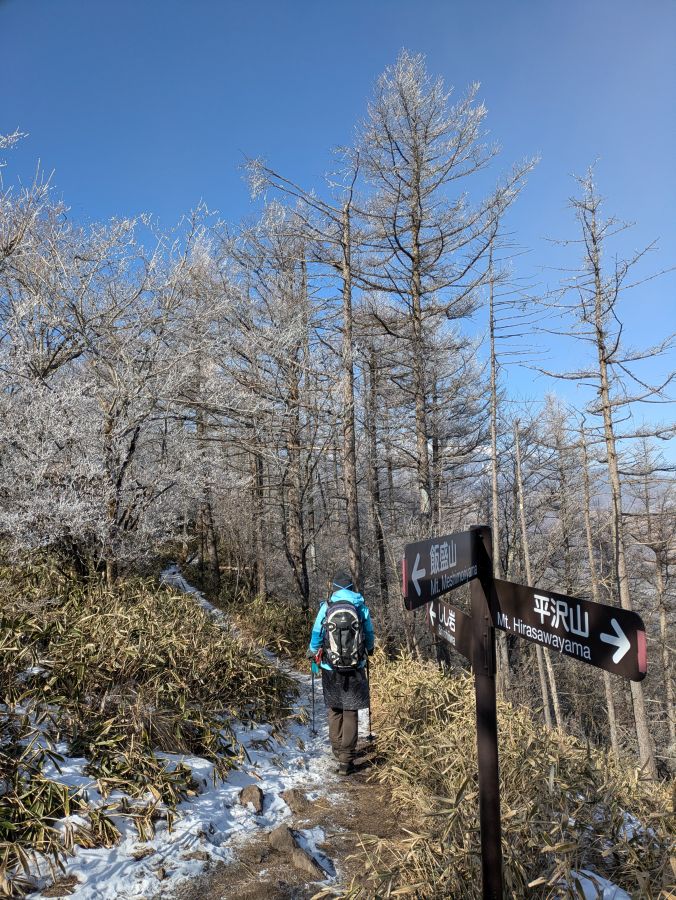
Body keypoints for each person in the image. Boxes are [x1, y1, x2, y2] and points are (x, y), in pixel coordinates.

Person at [306, 571, 375, 775]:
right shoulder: (361, 607)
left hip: (330, 666)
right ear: (351, 588)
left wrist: (313, 651)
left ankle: (337, 749)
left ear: (335, 589)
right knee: (350, 710)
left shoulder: (326, 607)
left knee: (334, 709)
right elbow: (369, 633)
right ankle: (346, 759)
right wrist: (369, 649)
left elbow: (317, 633)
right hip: (356, 666)